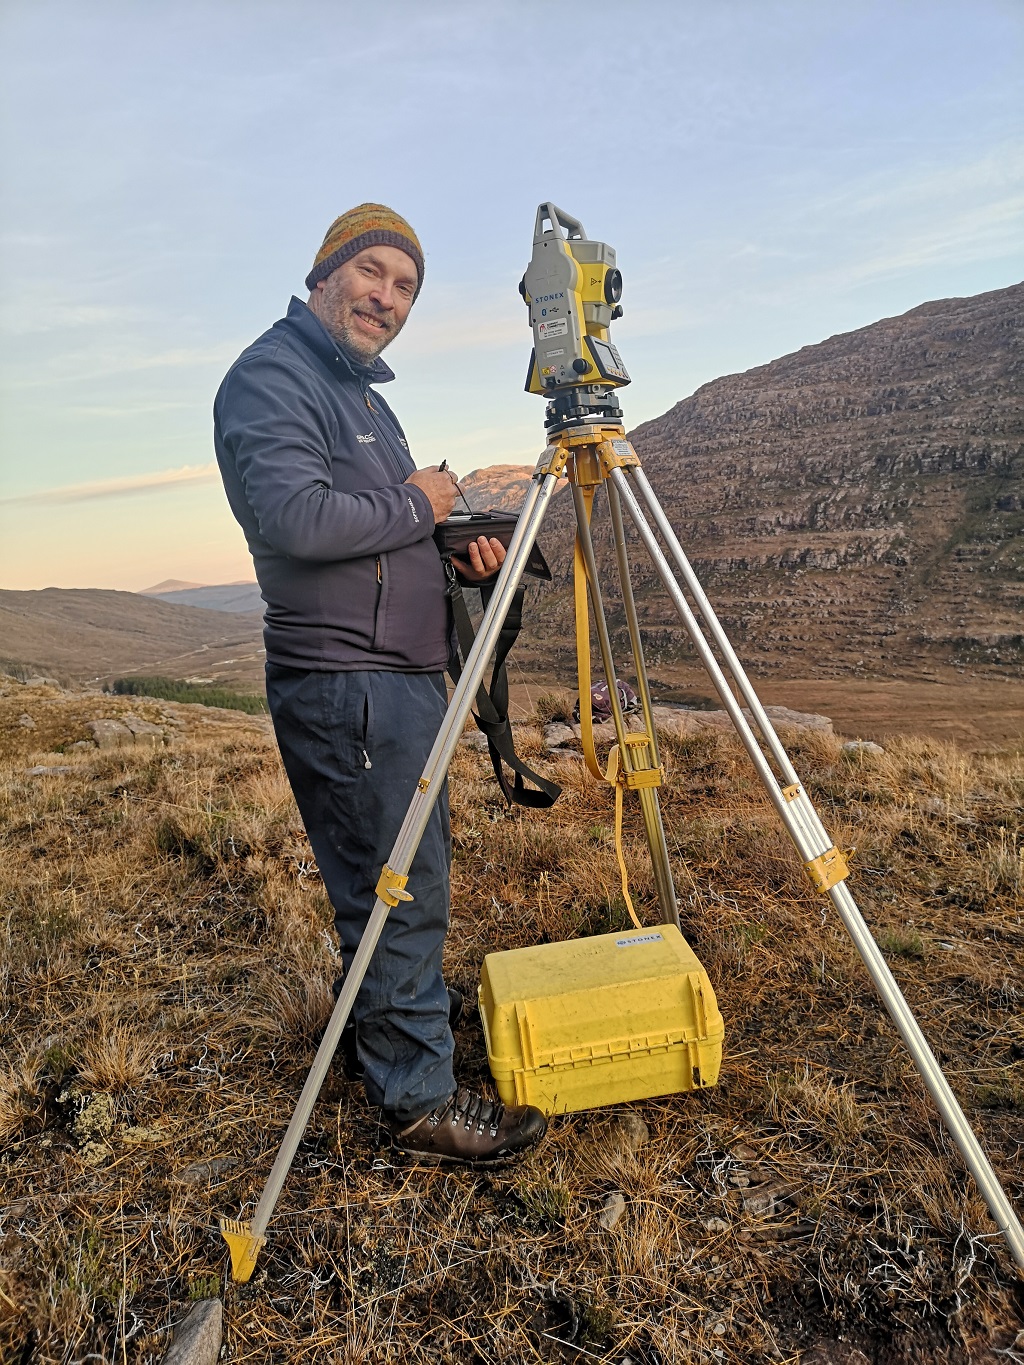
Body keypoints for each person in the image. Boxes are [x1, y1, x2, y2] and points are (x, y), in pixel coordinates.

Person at [213, 204, 546, 1164]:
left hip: (394, 682)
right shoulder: (273, 376)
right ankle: (418, 1098)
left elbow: (382, 535)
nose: (388, 299)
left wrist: (457, 553)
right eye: (375, 273)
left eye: (406, 287)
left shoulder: (361, 395)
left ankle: (393, 1028)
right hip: (347, 684)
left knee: (401, 872)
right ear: (326, 272)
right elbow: (295, 519)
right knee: (395, 887)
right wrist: (419, 498)